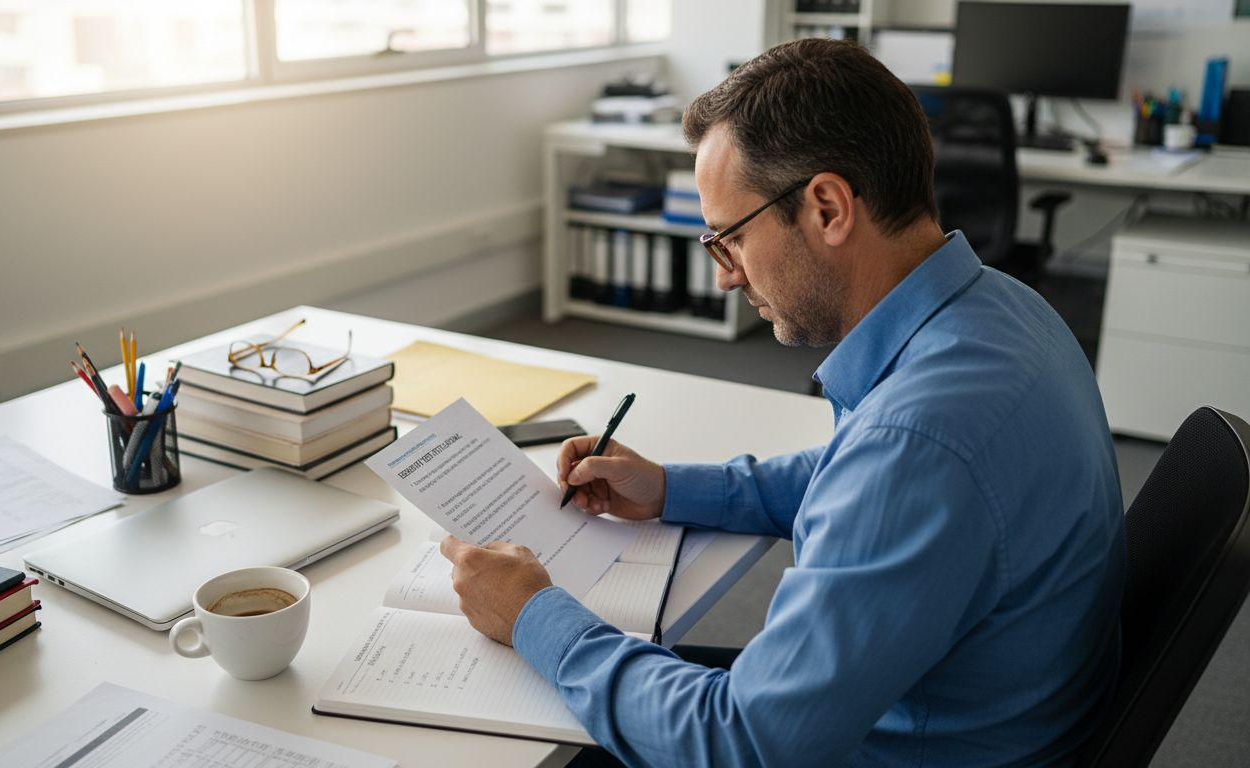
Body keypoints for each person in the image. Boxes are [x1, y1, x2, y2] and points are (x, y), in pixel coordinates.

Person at [439, 38, 1124, 767]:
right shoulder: (1003, 310)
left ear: (828, 206)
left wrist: (533, 616)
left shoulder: (918, 443)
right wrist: (672, 488)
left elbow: (742, 747)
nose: (726, 278)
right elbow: (857, 471)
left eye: (729, 238)